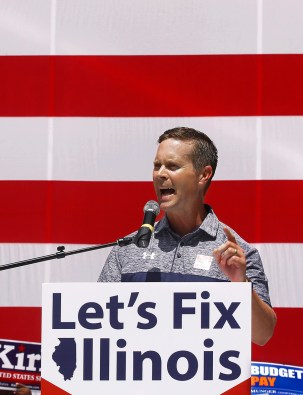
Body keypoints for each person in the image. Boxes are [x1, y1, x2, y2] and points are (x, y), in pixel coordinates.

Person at [98, 127, 277, 345]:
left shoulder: (237, 254)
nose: (160, 174)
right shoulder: (127, 249)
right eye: (157, 165)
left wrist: (241, 284)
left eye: (172, 166)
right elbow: (98, 323)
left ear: (204, 175)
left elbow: (262, 335)